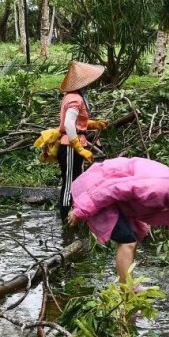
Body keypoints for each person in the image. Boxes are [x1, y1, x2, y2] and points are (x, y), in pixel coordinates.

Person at [67, 157, 169, 289]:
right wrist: (81, 209)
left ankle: (128, 283)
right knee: (127, 241)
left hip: (123, 203)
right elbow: (113, 188)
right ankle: (127, 290)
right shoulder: (157, 187)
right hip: (100, 187)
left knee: (133, 238)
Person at [57, 62, 109, 220]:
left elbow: (77, 121)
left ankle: (76, 214)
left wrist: (93, 123)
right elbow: (68, 124)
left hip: (74, 143)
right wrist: (78, 148)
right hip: (70, 146)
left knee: (78, 179)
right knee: (69, 182)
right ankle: (65, 217)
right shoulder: (75, 98)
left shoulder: (74, 96)